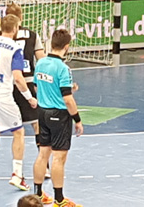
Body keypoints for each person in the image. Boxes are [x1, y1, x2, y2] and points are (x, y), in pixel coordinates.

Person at [0, 2, 46, 180]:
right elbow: (42, 60)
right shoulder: (32, 35)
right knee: (36, 124)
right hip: (25, 82)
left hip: (1, 86)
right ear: (20, 19)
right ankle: (44, 168)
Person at [32, 28, 82, 207]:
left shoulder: (40, 63)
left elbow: (38, 87)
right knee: (59, 158)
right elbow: (68, 100)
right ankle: (59, 200)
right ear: (66, 47)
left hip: (42, 113)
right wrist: (77, 119)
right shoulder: (63, 68)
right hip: (59, 116)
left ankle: (38, 195)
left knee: (42, 154)